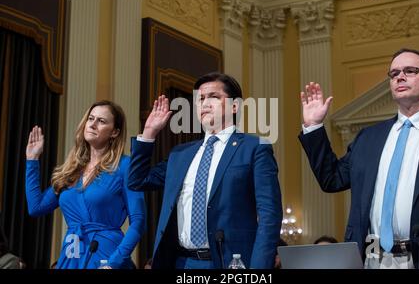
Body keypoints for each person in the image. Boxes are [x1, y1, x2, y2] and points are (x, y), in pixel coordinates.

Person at [298, 48, 419, 269]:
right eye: (394, 73)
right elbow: (332, 179)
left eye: (410, 71)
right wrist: (314, 126)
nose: (400, 77)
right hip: (371, 259)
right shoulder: (369, 137)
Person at [128, 72, 282, 269]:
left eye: (214, 97)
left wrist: (259, 269)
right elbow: (137, 181)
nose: (205, 104)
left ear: (235, 106)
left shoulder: (254, 147)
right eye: (200, 99)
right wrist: (149, 133)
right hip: (181, 263)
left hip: (231, 263)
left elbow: (270, 213)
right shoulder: (181, 153)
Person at [25, 100, 146, 269]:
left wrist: (114, 263)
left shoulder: (125, 166)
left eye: (101, 121)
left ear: (115, 132)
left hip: (107, 256)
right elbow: (36, 207)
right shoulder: (71, 171)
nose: (93, 124)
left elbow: (139, 221)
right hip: (71, 255)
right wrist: (32, 160)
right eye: (91, 118)